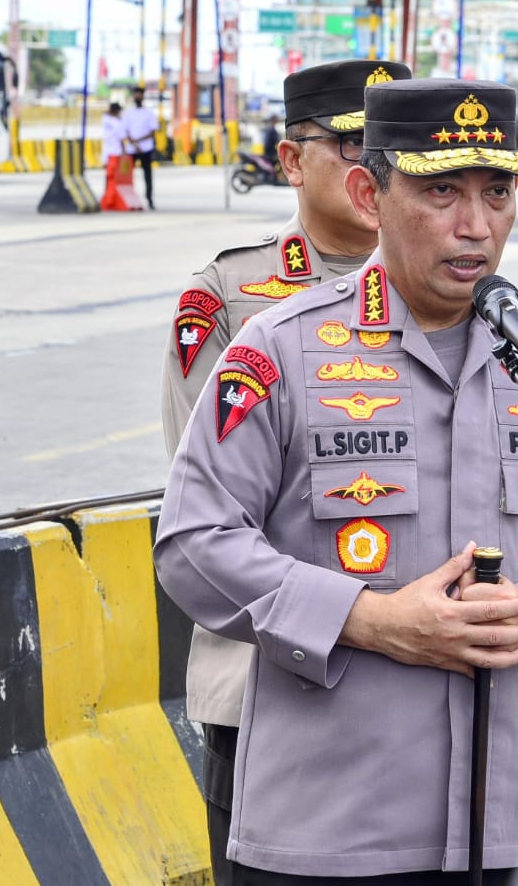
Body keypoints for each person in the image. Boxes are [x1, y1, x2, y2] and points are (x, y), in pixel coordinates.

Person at [155, 77, 518, 884]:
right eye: (441, 191)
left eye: (497, 192)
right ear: (371, 192)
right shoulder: (278, 351)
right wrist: (370, 618)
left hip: (511, 826)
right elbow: (192, 541)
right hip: (326, 832)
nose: (476, 225)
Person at [160, 58, 409, 886]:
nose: (372, 165)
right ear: (291, 159)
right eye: (349, 145)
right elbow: (209, 503)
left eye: (388, 146)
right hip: (269, 670)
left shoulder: (452, 288)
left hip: (420, 672)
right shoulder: (232, 296)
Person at [98, 101, 139, 212]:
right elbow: (122, 139)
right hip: (116, 153)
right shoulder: (117, 123)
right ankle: (110, 200)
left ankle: (107, 198)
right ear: (116, 111)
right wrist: (125, 151)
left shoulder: (105, 120)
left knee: (108, 178)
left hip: (106, 153)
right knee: (114, 180)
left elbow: (105, 113)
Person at [125, 85, 160, 209]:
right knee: (128, 176)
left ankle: (149, 199)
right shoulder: (129, 113)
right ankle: (130, 201)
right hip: (131, 149)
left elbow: (152, 132)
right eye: (136, 94)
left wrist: (138, 142)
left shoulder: (149, 113)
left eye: (140, 94)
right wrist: (134, 144)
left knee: (148, 176)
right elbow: (125, 131)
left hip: (145, 148)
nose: (137, 97)